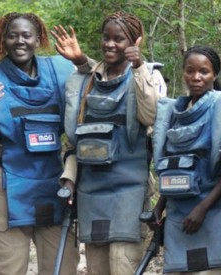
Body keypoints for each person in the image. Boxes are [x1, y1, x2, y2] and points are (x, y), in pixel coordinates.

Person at [51, 11, 166, 274]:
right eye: (106, 38)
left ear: (135, 42)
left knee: (123, 264)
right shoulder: (86, 81)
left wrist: (138, 68)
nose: (110, 44)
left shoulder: (149, 76)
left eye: (119, 39)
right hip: (91, 192)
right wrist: (69, 177)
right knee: (97, 268)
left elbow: (150, 116)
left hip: (130, 191)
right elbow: (74, 139)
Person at [0, 12, 80, 275]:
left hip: (56, 190)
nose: (20, 41)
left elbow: (77, 138)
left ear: (38, 39)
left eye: (26, 35)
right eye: (12, 35)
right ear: (2, 40)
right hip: (5, 193)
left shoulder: (62, 72)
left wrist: (81, 60)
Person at [153, 46, 221, 274]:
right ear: (183, 73)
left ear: (214, 75)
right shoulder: (174, 113)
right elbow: (174, 168)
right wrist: (159, 207)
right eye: (190, 71)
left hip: (212, 215)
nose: (196, 77)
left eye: (204, 72)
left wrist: (203, 207)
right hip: (177, 216)